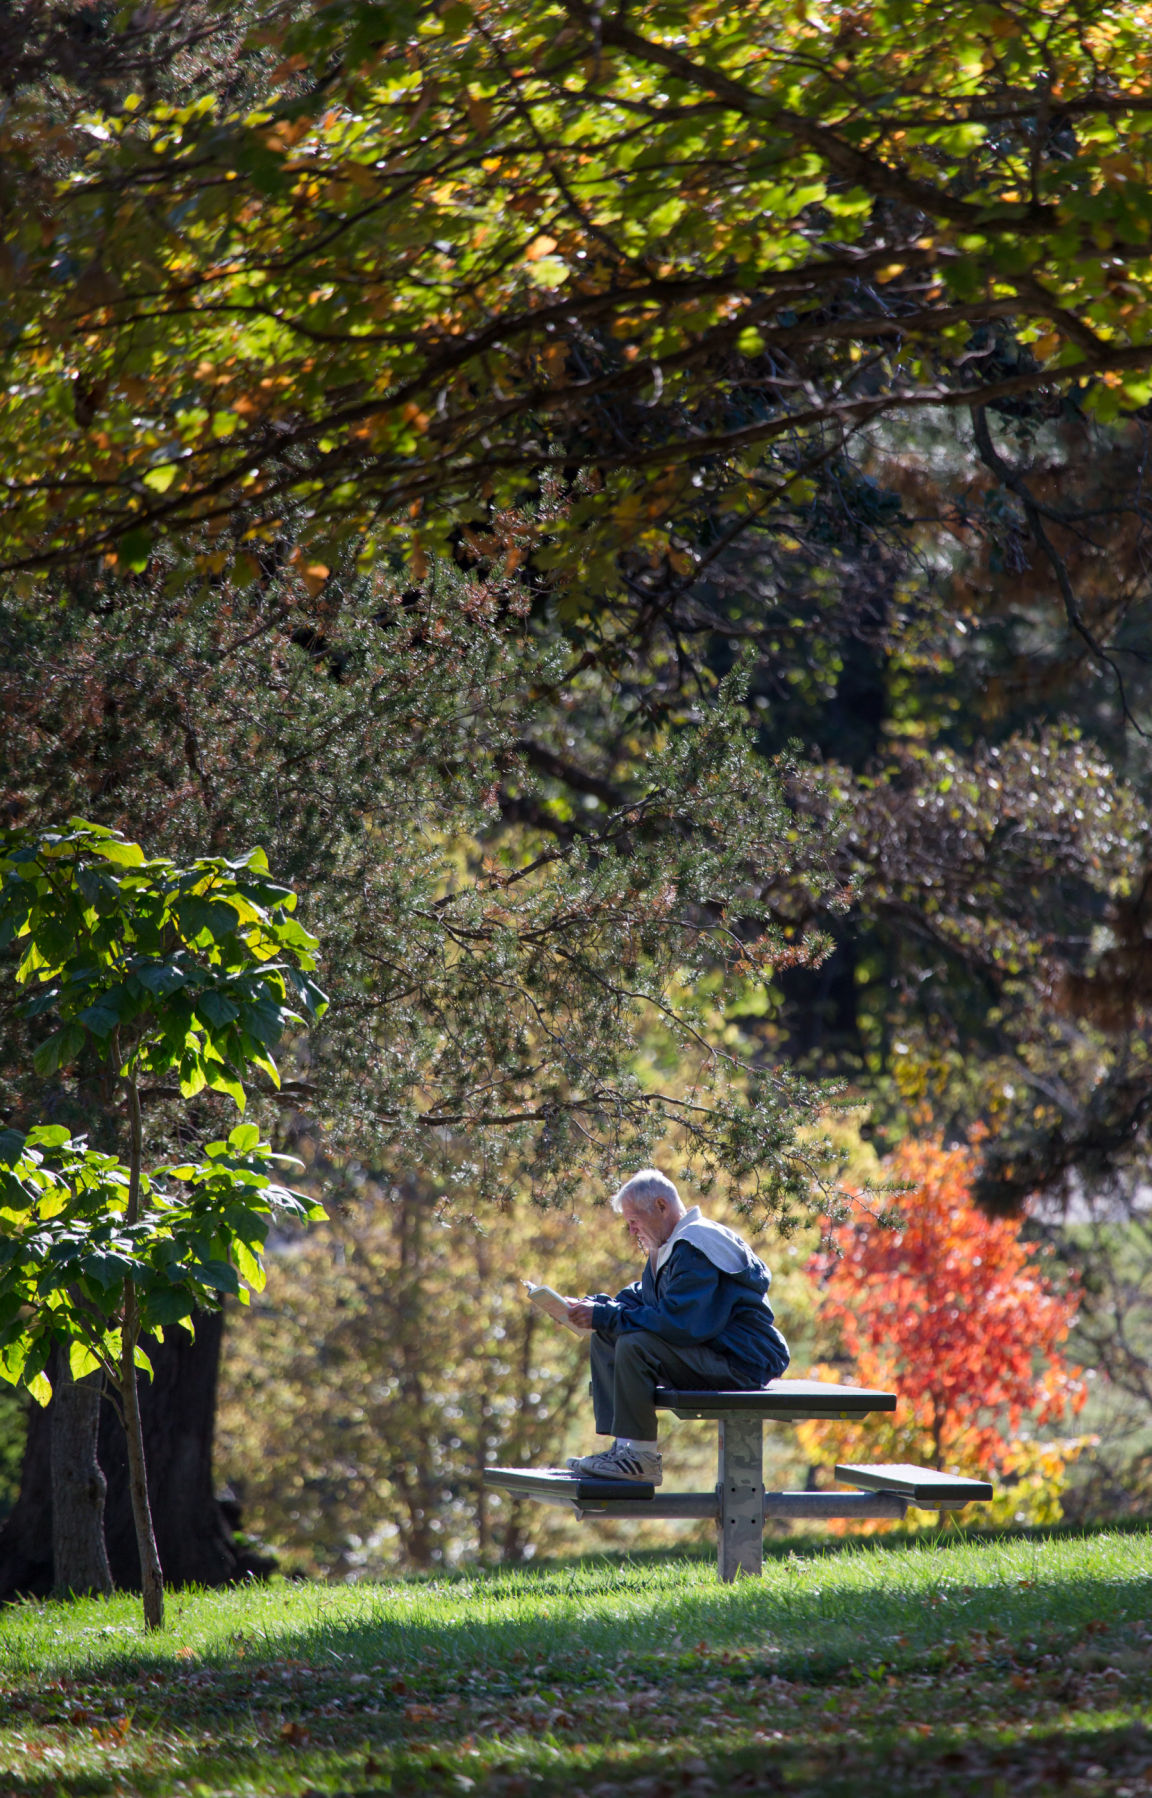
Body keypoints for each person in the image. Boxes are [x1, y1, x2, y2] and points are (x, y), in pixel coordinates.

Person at [565, 1168, 789, 1485]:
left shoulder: (695, 1246)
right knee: (608, 1335)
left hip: (741, 1364)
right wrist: (594, 1307)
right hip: (710, 1355)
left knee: (634, 1343)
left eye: (634, 1221)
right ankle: (624, 1449)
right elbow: (642, 1299)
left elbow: (680, 1323)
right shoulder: (670, 1247)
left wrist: (606, 1315)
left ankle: (641, 1459)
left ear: (661, 1206)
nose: (632, 1231)